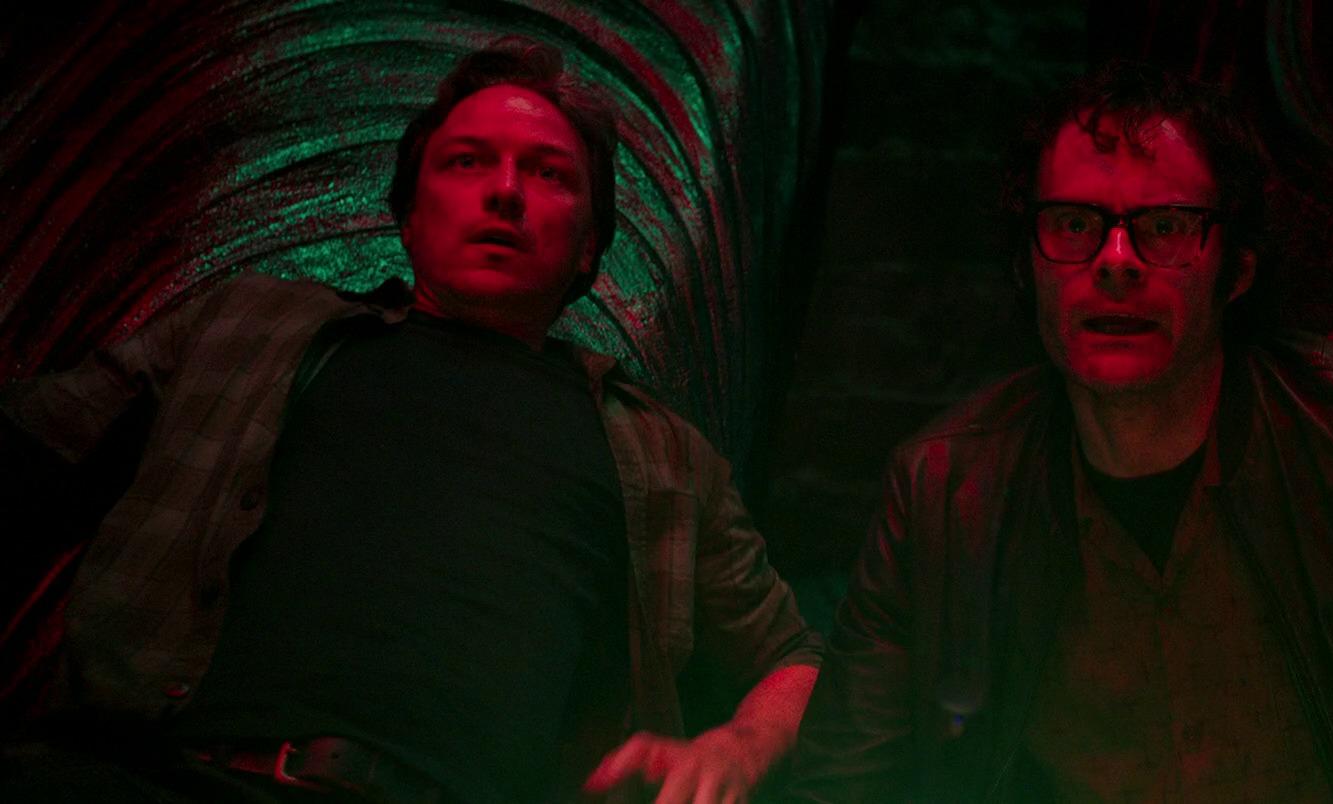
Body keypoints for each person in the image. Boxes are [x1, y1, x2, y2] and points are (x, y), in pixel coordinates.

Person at [786, 61, 1333, 802]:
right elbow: (845, 777)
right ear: (1029, 264)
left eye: (1165, 227)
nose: (1115, 263)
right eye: (1075, 225)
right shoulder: (946, 493)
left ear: (1236, 267)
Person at [0, 37, 819, 804]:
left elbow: (796, 661)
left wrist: (741, 747)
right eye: (468, 162)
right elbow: (30, 449)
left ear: (587, 246)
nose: (505, 191)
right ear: (409, 216)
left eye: (548, 173)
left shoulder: (663, 451)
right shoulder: (244, 327)